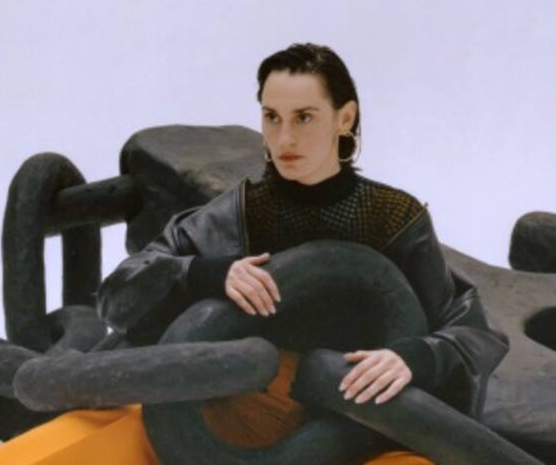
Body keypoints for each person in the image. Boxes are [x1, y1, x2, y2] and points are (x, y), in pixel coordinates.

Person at [75, 43, 508, 463]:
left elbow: (471, 330)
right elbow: (117, 298)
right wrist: (204, 273)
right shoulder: (234, 217)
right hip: (232, 422)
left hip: (361, 430)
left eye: (304, 118)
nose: (285, 137)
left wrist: (415, 357)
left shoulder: (393, 220)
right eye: (272, 117)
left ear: (344, 118)